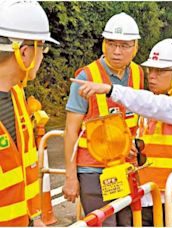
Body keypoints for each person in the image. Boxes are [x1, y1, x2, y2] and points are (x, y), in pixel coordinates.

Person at [71, 38, 172, 226]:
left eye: (160, 71)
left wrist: (110, 89)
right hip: (147, 194)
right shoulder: (157, 101)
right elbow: (155, 137)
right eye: (151, 70)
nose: (152, 76)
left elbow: (153, 105)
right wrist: (136, 147)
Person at [62, 12, 144, 226]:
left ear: (135, 46)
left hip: (125, 167)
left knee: (128, 223)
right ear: (103, 44)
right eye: (111, 43)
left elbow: (136, 119)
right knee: (104, 223)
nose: (117, 51)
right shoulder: (86, 77)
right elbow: (71, 130)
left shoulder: (138, 74)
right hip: (93, 170)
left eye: (125, 45)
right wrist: (71, 178)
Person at [0, 0, 59, 226]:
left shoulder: (16, 96)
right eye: (42, 48)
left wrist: (32, 219)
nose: (42, 57)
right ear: (24, 53)